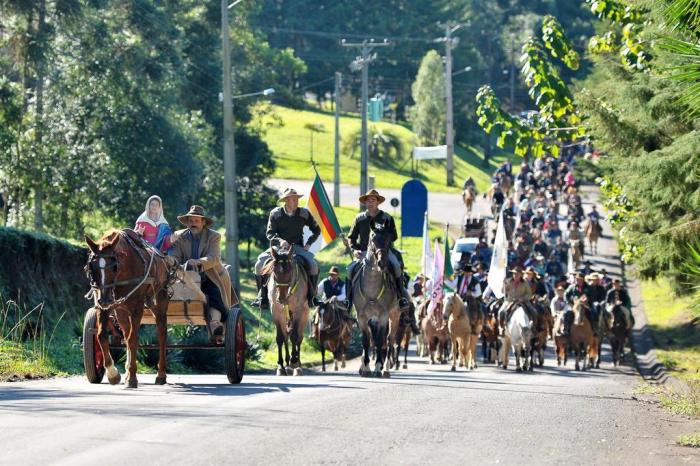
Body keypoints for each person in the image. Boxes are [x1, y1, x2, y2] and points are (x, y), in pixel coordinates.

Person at [345, 189, 419, 333]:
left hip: (383, 251)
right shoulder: (359, 218)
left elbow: (395, 236)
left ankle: (401, 297)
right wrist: (354, 249)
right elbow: (351, 238)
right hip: (364, 253)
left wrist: (382, 242)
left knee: (396, 266)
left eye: (373, 199)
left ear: (378, 202)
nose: (370, 202)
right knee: (349, 270)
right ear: (365, 202)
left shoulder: (387, 218)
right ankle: (348, 301)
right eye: (368, 200)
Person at [171, 205, 234, 338]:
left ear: (203, 222)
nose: (193, 224)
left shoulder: (214, 236)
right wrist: (176, 263)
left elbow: (214, 258)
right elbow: (175, 257)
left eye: (197, 221)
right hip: (184, 274)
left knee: (213, 294)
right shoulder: (178, 236)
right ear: (187, 222)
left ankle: (216, 323)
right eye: (191, 221)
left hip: (208, 274)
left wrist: (199, 262)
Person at [252, 188, 321, 309]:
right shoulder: (275, 213)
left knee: (313, 265)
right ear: (286, 201)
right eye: (293, 199)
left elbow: (317, 230)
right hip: (277, 248)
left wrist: (309, 244)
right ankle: (261, 297)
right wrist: (281, 241)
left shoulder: (304, 213)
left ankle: (312, 297)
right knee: (258, 265)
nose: (296, 201)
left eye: (297, 199)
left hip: (297, 247)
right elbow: (270, 233)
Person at [312, 265, 350, 339]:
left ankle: (348, 330)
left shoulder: (342, 284)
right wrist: (315, 292)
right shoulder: (324, 282)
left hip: (337, 302)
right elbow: (318, 291)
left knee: (345, 314)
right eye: (332, 274)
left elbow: (344, 295)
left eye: (335, 275)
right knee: (315, 313)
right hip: (325, 301)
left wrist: (336, 297)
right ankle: (314, 331)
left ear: (337, 275)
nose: (333, 276)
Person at [499, 266, 534, 331]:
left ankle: (533, 328)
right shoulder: (508, 281)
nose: (515, 275)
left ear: (521, 275)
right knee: (501, 312)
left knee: (534, 312)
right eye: (514, 273)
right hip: (510, 301)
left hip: (523, 302)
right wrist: (504, 285)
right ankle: (502, 328)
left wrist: (522, 299)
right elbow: (503, 292)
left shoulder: (525, 283)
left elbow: (529, 294)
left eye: (517, 274)